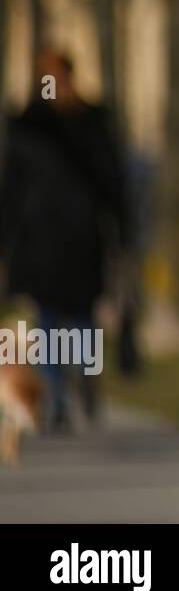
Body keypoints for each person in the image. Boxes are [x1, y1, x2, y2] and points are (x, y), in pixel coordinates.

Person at [0, 47, 132, 432]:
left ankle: (86, 382)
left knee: (82, 320)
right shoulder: (29, 126)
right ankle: (55, 396)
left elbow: (114, 183)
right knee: (47, 322)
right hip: (40, 242)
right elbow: (11, 190)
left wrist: (122, 234)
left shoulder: (92, 123)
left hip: (82, 239)